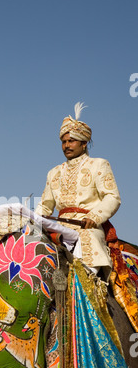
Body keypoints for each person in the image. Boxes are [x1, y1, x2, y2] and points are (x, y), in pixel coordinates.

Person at [35, 102, 121, 280]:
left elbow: (112, 197)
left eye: (71, 141)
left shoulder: (99, 164)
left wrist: (94, 217)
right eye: (64, 141)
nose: (67, 145)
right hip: (59, 227)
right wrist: (33, 219)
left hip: (88, 226)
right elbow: (45, 206)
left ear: (84, 143)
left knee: (86, 271)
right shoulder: (53, 172)